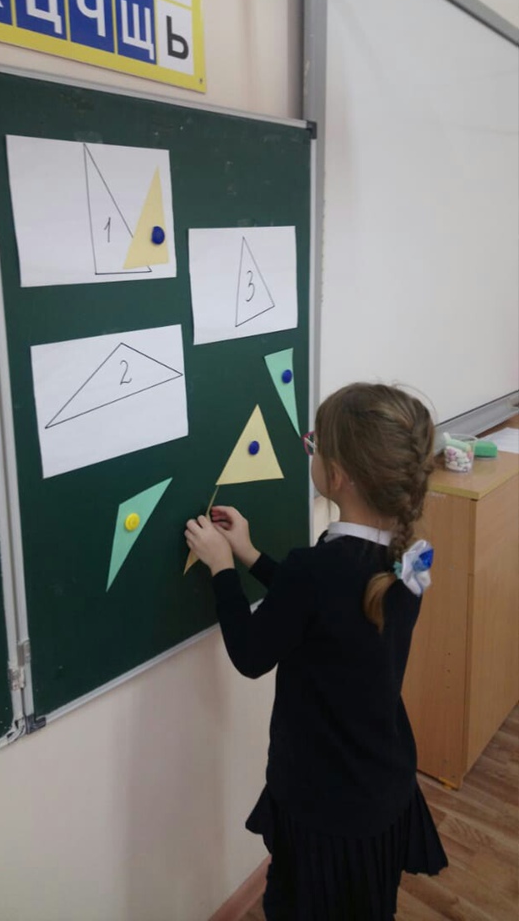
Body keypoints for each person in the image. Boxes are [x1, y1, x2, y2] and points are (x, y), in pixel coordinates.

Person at [185, 382, 448, 921]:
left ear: (338, 474)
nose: (312, 452)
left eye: (315, 444)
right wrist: (251, 555)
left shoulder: (316, 571)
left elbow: (251, 655)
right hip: (382, 786)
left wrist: (221, 569)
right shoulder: (408, 559)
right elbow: (328, 610)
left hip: (323, 803)